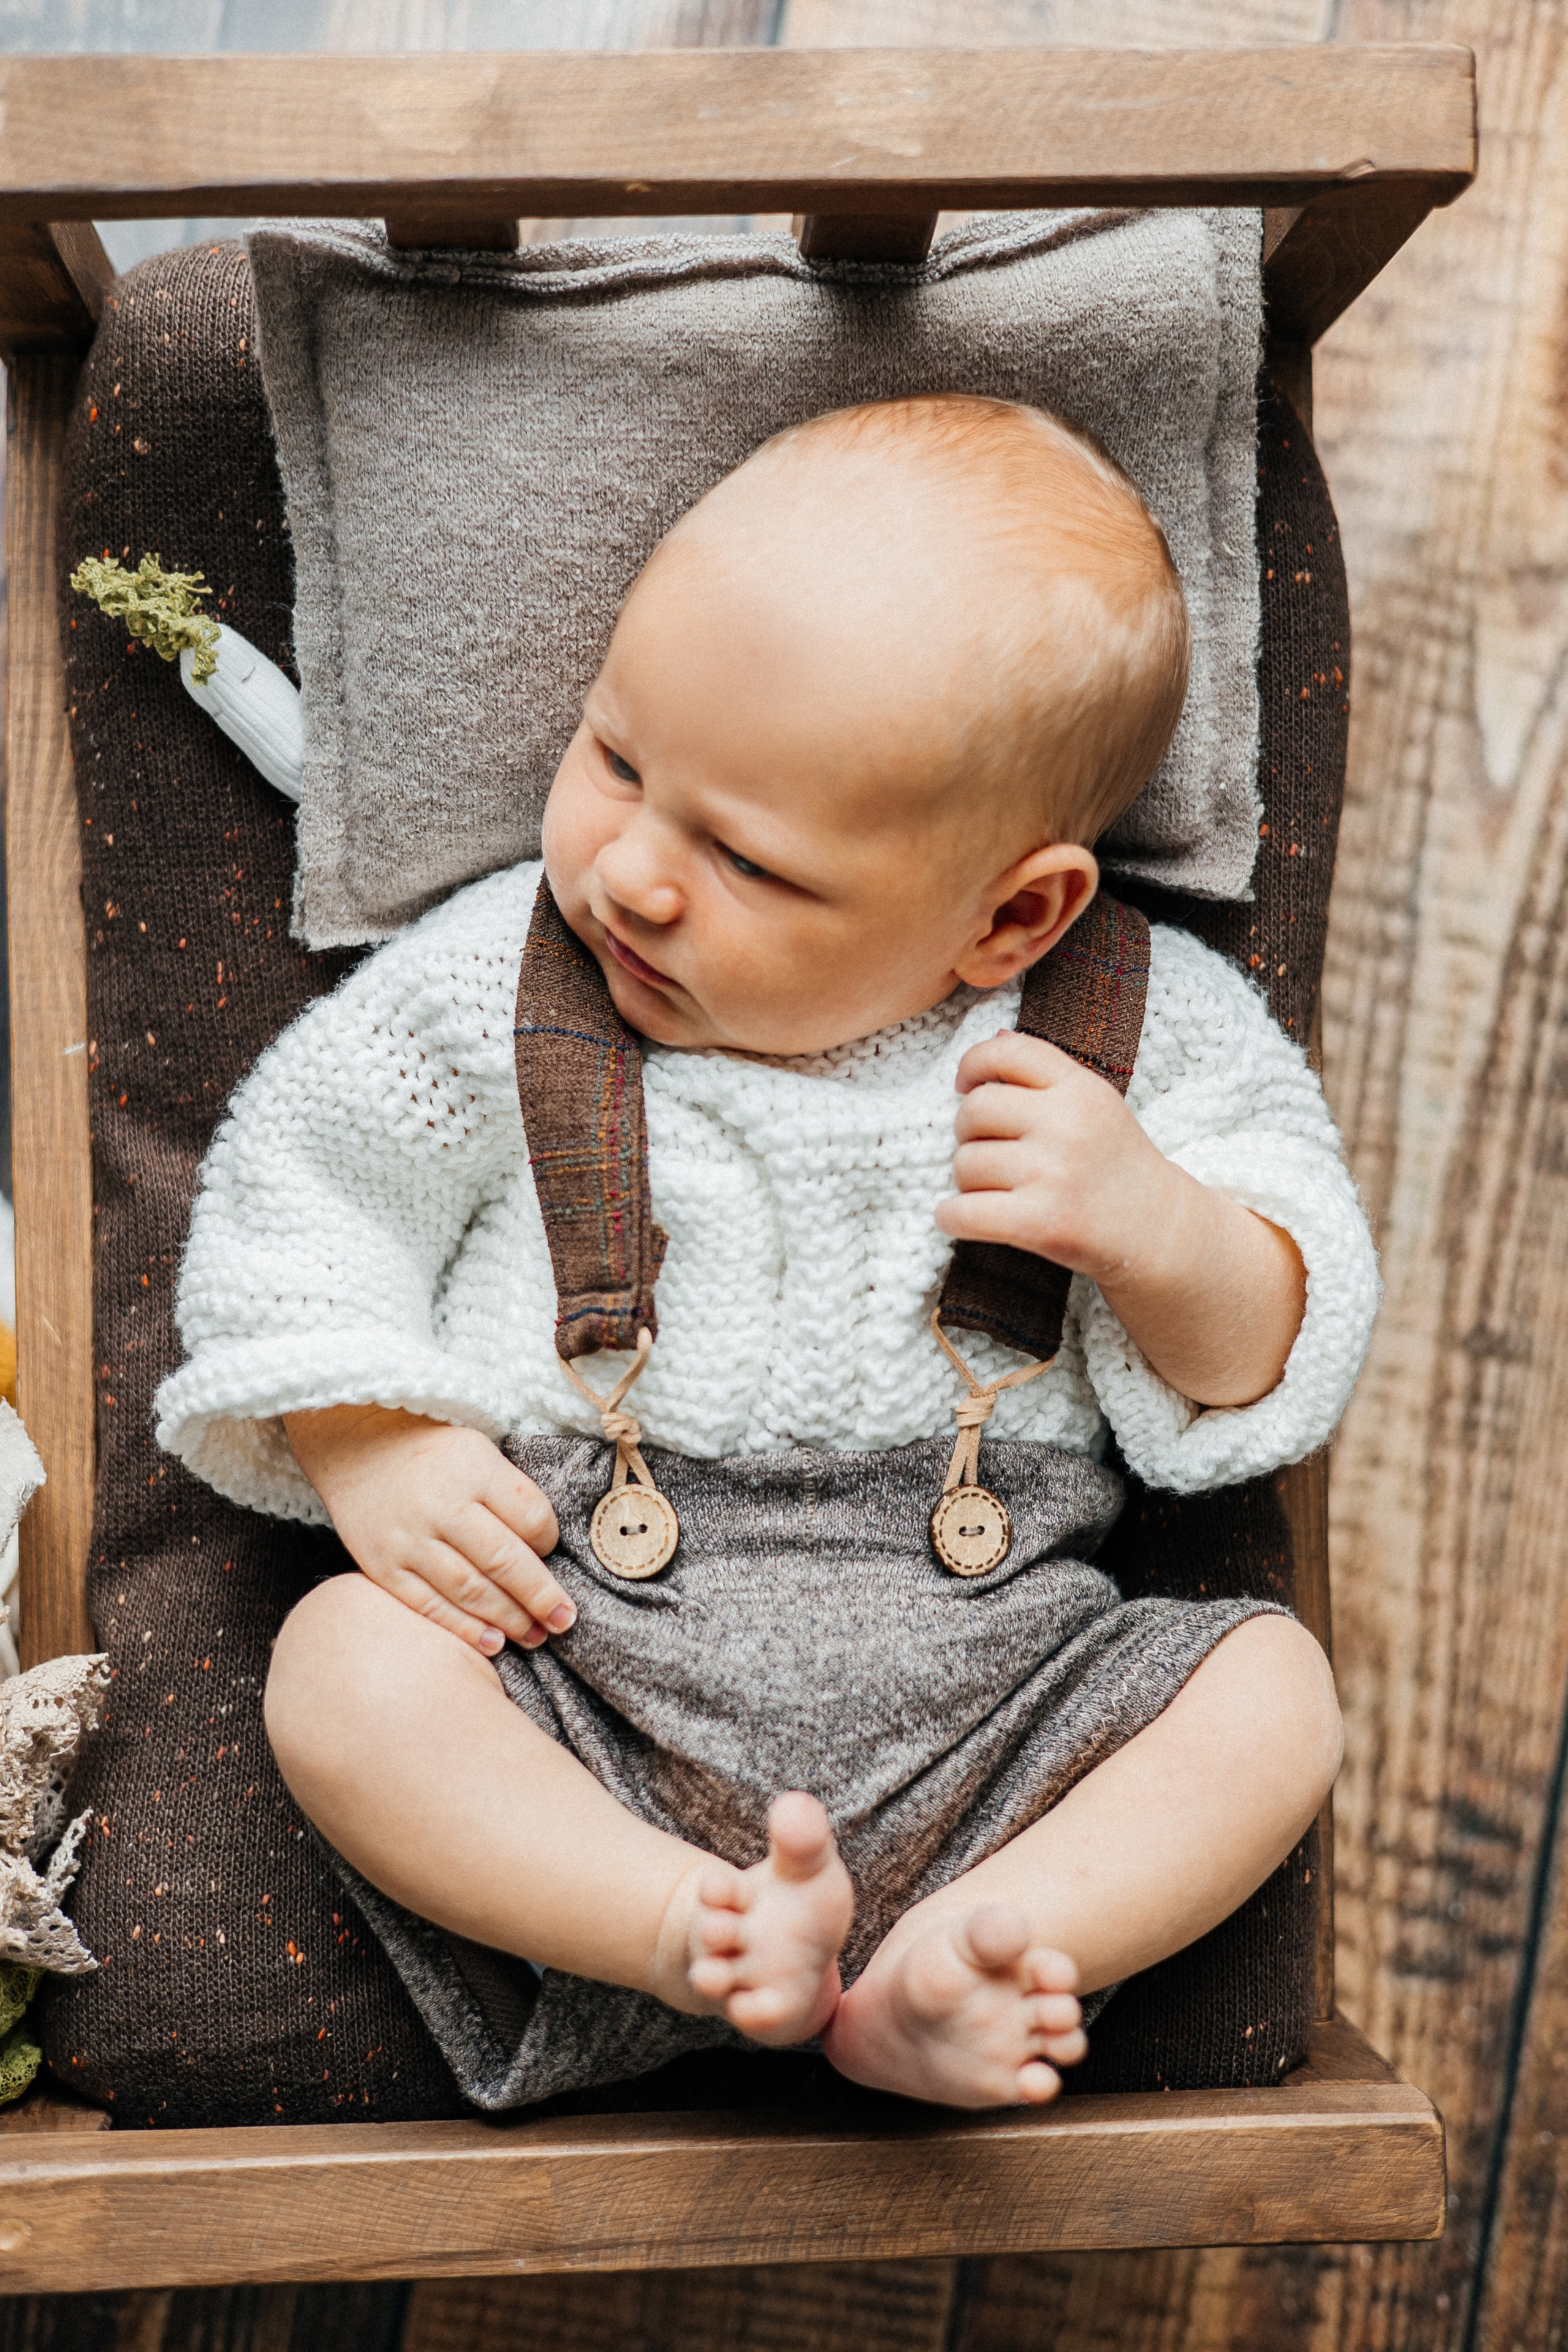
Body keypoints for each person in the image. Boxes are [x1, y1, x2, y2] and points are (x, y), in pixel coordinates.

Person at [157, 394, 1373, 2111]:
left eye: (749, 858)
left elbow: (1275, 1344)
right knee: (345, 1669)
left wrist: (1164, 1230)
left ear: (1010, 915)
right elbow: (307, 1192)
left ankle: (979, 1956)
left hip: (999, 1677)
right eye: (618, 761)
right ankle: (678, 1925)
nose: (636, 875)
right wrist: (369, 1438)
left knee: (1272, 1701)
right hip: (575, 1652)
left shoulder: (1138, 1030)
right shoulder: (495, 980)